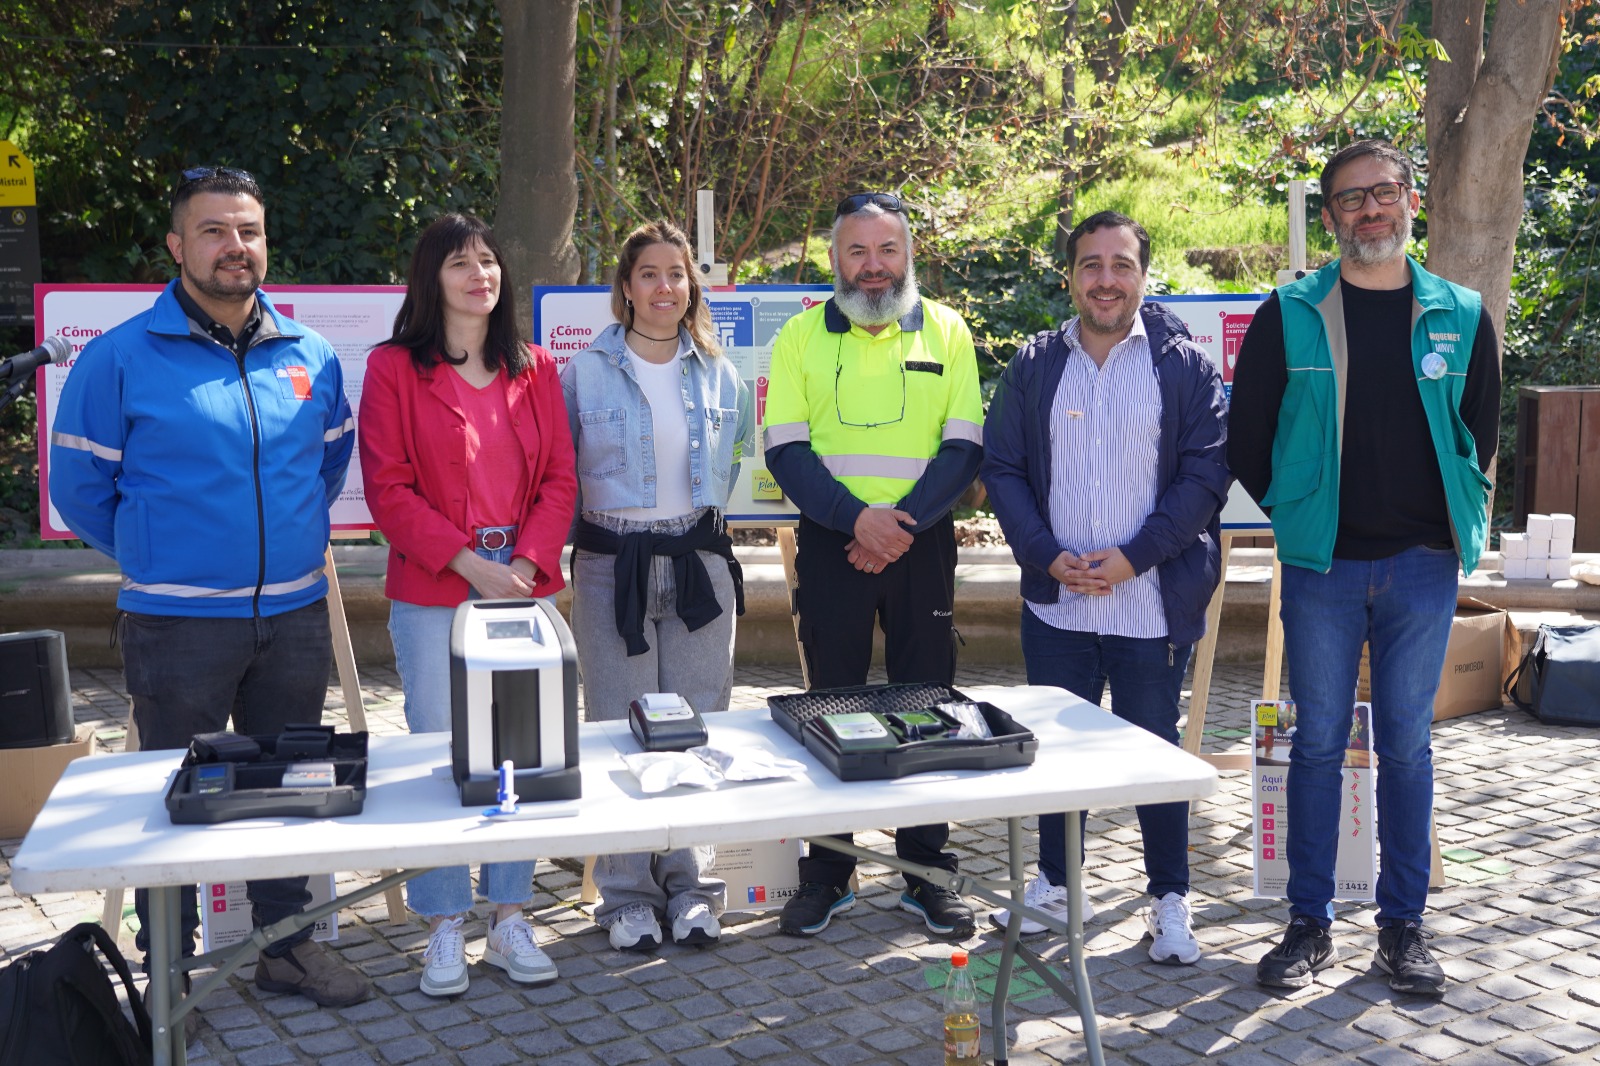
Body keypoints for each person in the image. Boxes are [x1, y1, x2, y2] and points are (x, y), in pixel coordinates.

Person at [48, 166, 369, 1007]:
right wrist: (160, 554)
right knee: (171, 799)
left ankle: (285, 949)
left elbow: (326, 463)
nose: (235, 246)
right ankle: (168, 968)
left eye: (248, 231)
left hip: (294, 614)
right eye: (214, 230)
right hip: (177, 625)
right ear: (176, 245)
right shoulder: (120, 357)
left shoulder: (310, 355)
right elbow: (80, 488)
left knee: (289, 788)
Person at [1230, 138, 1500, 995]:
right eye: (1352, 198)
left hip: (1424, 566)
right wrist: (1300, 514)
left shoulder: (1461, 312)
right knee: (1317, 745)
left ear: (1411, 200)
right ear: (1332, 215)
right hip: (1325, 568)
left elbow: (1480, 432)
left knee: (1409, 748)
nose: (1371, 210)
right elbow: (1247, 439)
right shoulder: (1289, 313)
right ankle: (1309, 922)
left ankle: (1403, 928)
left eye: (1384, 192)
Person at [981, 211, 1229, 964]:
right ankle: (1059, 885)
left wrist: (1133, 558)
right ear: (1070, 276)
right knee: (1057, 753)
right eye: (1091, 264)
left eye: (1121, 264)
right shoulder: (1034, 364)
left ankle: (1170, 897)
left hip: (1150, 604)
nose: (1106, 280)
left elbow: (1205, 478)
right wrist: (1045, 554)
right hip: (1058, 604)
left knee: (1155, 754)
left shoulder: (1183, 367)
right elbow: (1003, 468)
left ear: (1144, 275)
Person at [359, 213, 577, 996]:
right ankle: (444, 921)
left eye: (488, 260)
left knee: (519, 746)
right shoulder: (392, 369)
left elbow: (560, 480)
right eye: (460, 262)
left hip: (520, 585)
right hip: (435, 588)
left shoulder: (536, 367)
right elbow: (387, 487)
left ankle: (510, 913)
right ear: (431, 278)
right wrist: (467, 562)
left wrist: (522, 563)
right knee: (440, 751)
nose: (479, 274)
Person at [763, 192, 983, 939]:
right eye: (857, 251)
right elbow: (786, 450)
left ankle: (927, 874)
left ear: (907, 256)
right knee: (831, 701)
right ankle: (829, 873)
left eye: (887, 249)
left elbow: (964, 447)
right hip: (835, 543)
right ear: (835, 259)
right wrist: (857, 521)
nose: (873, 265)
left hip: (921, 542)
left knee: (929, 704)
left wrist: (898, 525)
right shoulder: (799, 336)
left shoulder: (948, 330)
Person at [561, 220, 754, 952]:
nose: (664, 287)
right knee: (620, 725)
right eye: (649, 273)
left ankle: (692, 889)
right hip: (613, 566)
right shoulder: (583, 373)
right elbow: (562, 472)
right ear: (626, 286)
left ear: (691, 287)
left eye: (677, 274)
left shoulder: (721, 373)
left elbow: (736, 452)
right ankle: (626, 897)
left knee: (699, 726)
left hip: (698, 562)